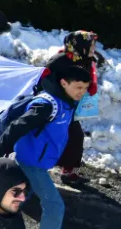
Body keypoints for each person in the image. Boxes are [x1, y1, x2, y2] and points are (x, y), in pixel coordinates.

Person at [0, 64, 90, 229]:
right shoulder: (47, 105)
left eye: (85, 88)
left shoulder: (67, 103)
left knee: (18, 197)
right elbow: (17, 127)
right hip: (30, 163)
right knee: (54, 205)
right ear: (64, 83)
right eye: (78, 87)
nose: (82, 93)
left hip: (39, 162)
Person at [40, 30, 101, 184]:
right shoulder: (61, 59)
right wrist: (59, 95)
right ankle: (33, 166)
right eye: (91, 45)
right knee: (50, 135)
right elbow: (44, 78)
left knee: (75, 135)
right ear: (79, 45)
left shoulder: (86, 60)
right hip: (54, 104)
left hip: (70, 105)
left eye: (93, 45)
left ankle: (68, 170)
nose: (93, 48)